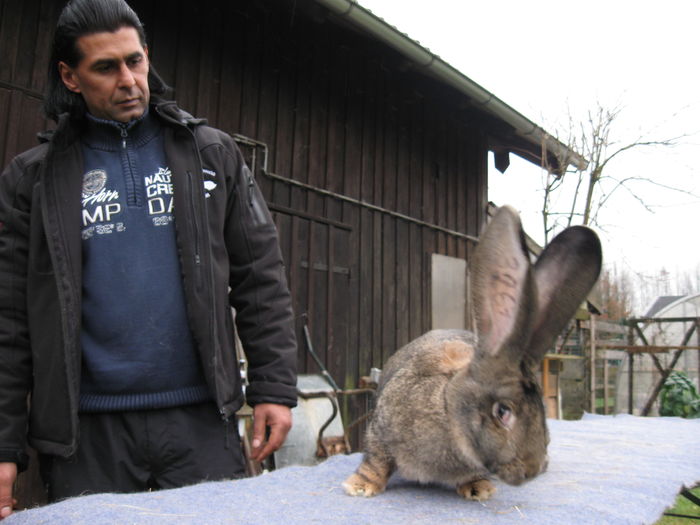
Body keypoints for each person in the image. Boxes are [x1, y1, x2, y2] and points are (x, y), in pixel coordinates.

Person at [0, 0, 297, 517]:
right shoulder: (33, 180)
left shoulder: (212, 155)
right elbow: (8, 321)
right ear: (70, 76)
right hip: (86, 436)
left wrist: (273, 386)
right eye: (106, 67)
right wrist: (3, 446)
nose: (129, 80)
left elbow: (259, 278)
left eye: (135, 61)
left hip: (201, 420)